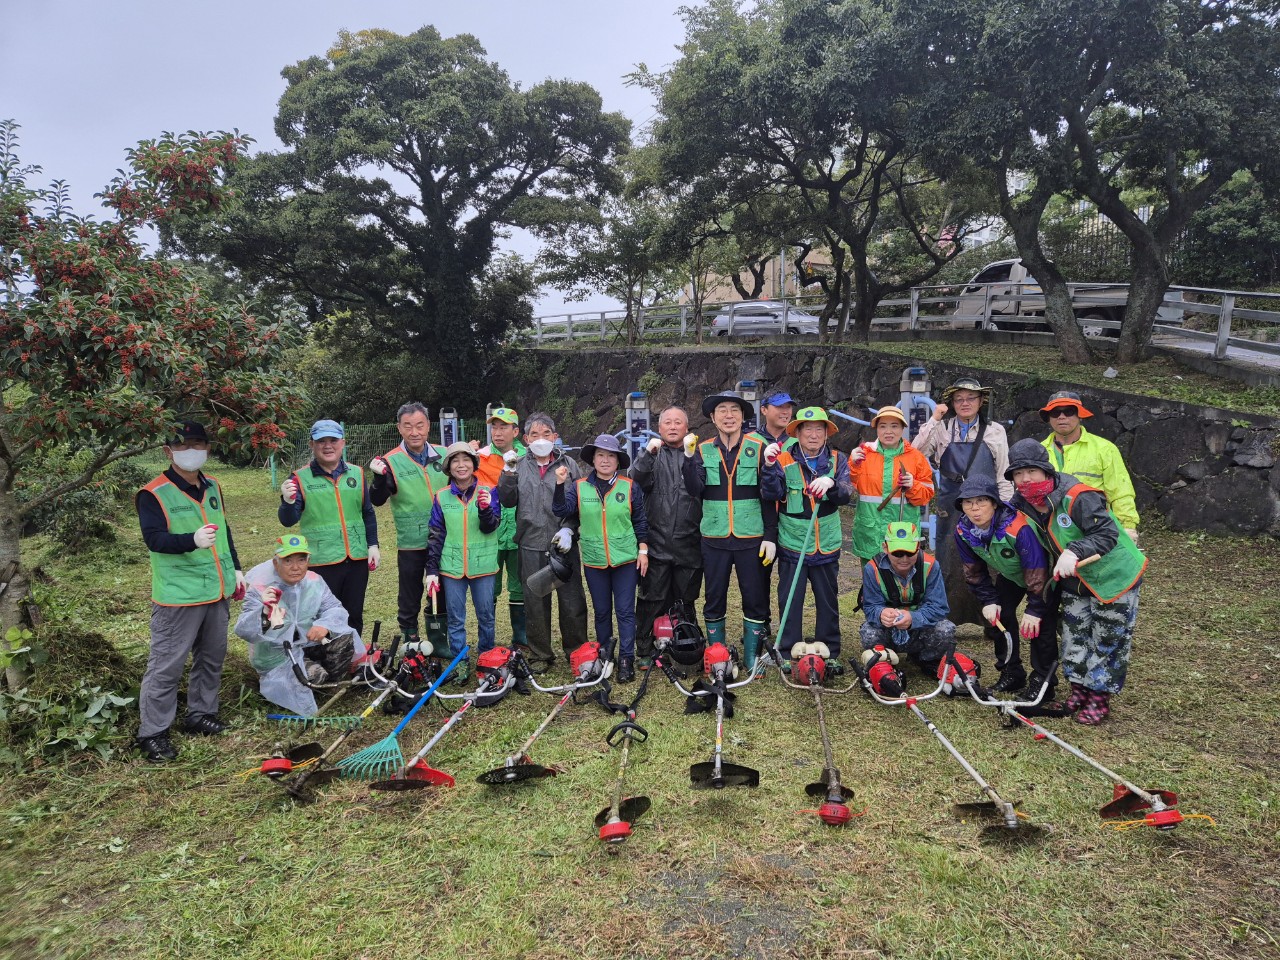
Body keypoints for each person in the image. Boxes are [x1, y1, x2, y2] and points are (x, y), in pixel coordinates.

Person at [1006, 438, 1146, 724]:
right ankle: (1079, 688)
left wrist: (1074, 550)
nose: (1025, 479)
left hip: (1112, 574)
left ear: (1046, 470)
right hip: (1072, 579)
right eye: (1018, 474)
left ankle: (1099, 696)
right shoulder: (1021, 503)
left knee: (1107, 637)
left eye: (1031, 471)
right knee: (1074, 634)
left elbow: (1107, 534)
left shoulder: (1076, 495)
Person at [134, 420, 246, 763]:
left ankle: (200, 714)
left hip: (216, 590)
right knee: (167, 665)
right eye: (182, 446)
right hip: (179, 596)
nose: (191, 451)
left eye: (197, 444)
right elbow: (154, 539)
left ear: (207, 449)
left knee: (211, 658)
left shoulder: (213, 486)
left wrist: (237, 569)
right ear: (168, 452)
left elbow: (223, 531)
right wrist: (191, 541)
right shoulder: (153, 493)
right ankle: (152, 732)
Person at [682, 390, 777, 670]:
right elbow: (694, 489)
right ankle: (716, 656)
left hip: (751, 537)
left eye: (734, 410)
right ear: (713, 417)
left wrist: (770, 536)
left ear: (743, 416)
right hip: (714, 537)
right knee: (714, 598)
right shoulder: (702, 450)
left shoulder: (759, 447)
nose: (728, 415)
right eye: (721, 410)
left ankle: (753, 657)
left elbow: (770, 495)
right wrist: (688, 459)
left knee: (755, 598)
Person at [497, 412, 590, 673]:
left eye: (546, 434)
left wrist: (570, 530)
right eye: (535, 435)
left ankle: (577, 651)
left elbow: (577, 502)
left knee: (572, 600)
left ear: (555, 437)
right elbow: (507, 500)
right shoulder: (518, 464)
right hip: (530, 542)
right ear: (525, 439)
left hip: (563, 544)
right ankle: (540, 654)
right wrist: (508, 473)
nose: (541, 439)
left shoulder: (569, 464)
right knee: (535, 601)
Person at [553, 434, 650, 682]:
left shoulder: (629, 487)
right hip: (595, 560)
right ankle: (606, 657)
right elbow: (561, 510)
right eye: (600, 455)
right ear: (593, 459)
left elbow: (640, 521)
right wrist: (559, 485)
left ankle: (626, 659)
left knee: (626, 612)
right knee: (602, 611)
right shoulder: (579, 486)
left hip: (626, 559)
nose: (605, 460)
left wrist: (643, 550)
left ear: (618, 461)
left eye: (610, 456)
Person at [234, 534, 365, 717]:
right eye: (288, 561)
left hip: (307, 643)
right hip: (278, 654)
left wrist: (324, 625)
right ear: (275, 562)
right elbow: (243, 630)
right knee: (316, 675)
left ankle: (327, 684)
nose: (296, 567)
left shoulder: (314, 581)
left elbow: (334, 608)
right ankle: (298, 682)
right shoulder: (261, 589)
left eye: (302, 560)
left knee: (343, 638)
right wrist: (263, 613)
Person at [761, 407, 852, 664]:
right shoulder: (783, 459)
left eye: (819, 429)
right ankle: (788, 647)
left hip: (827, 543)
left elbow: (847, 492)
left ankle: (830, 650)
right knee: (790, 598)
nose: (813, 435)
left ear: (826, 433)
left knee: (827, 599)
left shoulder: (837, 459)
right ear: (797, 433)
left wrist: (832, 483)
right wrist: (768, 466)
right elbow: (770, 493)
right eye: (808, 429)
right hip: (793, 541)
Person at [952, 475, 1055, 697]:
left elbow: (1037, 569)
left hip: (1043, 577)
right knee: (1000, 617)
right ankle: (1011, 672)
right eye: (968, 503)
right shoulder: (963, 530)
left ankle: (1043, 681)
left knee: (1039, 626)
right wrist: (989, 600)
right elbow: (974, 570)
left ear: (994, 503)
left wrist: (1035, 608)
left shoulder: (1018, 528)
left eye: (981, 501)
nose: (975, 509)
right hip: (1010, 574)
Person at [279, 419, 379, 637]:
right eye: (321, 441)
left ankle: (352, 657)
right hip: (322, 560)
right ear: (311, 445)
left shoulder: (357, 473)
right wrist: (287, 502)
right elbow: (288, 520)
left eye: (333, 440)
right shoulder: (299, 478)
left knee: (353, 614)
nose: (327, 446)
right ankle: (325, 659)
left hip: (356, 558)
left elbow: (367, 512)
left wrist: (373, 544)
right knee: (322, 615)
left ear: (342, 443)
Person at [369, 403, 450, 661]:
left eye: (420, 425)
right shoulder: (390, 462)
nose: (414, 432)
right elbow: (378, 499)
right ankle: (410, 640)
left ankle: (438, 641)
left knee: (440, 590)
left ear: (428, 426)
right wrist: (379, 479)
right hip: (411, 542)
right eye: (408, 426)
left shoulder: (445, 455)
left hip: (445, 541)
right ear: (399, 428)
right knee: (409, 593)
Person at [630, 405, 703, 666]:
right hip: (656, 538)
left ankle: (686, 643)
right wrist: (648, 453)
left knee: (686, 596)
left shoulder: (697, 453)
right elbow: (635, 479)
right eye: (667, 423)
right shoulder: (651, 452)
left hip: (688, 540)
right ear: (659, 428)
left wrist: (691, 457)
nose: (673, 427)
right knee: (652, 596)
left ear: (687, 428)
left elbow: (699, 487)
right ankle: (644, 646)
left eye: (678, 423)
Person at [424, 442, 503, 684]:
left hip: (483, 566)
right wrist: (432, 570)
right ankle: (461, 662)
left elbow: (491, 526)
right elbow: (436, 534)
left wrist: (485, 509)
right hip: (452, 567)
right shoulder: (441, 497)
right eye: (455, 461)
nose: (461, 465)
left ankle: (486, 658)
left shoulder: (489, 490)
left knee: (486, 615)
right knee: (456, 618)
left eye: (466, 460)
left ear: (474, 464)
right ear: (448, 467)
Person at [859, 522, 965, 685]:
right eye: (898, 553)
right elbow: (870, 607)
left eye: (910, 553)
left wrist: (913, 618)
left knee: (946, 629)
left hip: (919, 628)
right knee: (869, 632)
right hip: (888, 629)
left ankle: (926, 660)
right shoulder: (872, 568)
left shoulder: (931, 566)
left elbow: (939, 607)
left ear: (919, 547)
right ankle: (885, 661)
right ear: (885, 548)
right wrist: (881, 614)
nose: (904, 559)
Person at [1039, 390, 1140, 543]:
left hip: (1094, 529)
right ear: (1049, 418)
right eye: (1055, 412)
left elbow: (1120, 491)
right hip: (1050, 530)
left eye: (1069, 411)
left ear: (1079, 415)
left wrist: (1128, 526)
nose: (1061, 417)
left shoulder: (1104, 449)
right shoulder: (1038, 451)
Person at [848, 406, 935, 567]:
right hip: (870, 532)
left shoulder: (916, 458)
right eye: (883, 426)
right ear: (876, 429)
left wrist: (912, 485)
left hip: (903, 533)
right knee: (872, 582)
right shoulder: (863, 454)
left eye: (894, 426)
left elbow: (926, 495)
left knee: (902, 584)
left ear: (903, 429)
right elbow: (849, 486)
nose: (888, 431)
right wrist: (853, 464)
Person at [473, 406, 528, 653]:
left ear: (515, 431)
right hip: (490, 534)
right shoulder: (479, 457)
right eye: (494, 426)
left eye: (503, 427)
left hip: (520, 534)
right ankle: (487, 642)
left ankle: (521, 640)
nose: (497, 432)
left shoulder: (528, 458)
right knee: (488, 588)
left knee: (519, 587)